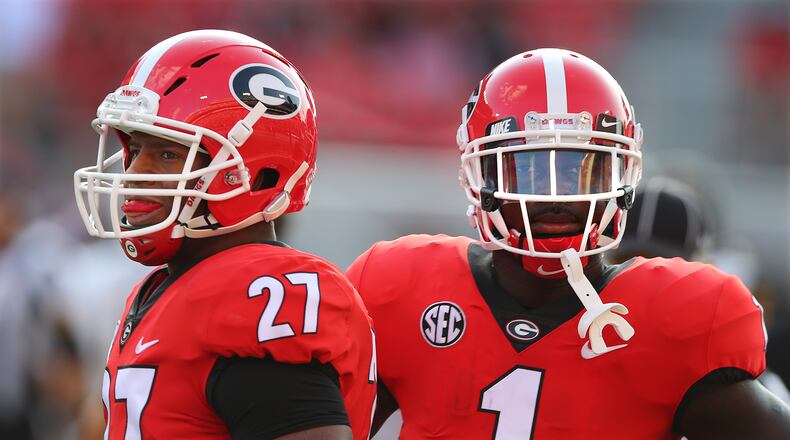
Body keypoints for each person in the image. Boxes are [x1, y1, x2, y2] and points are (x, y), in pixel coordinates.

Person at [347, 48, 790, 439]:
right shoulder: (400, 290)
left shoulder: (678, 319)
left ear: (623, 176)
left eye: (583, 169)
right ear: (479, 177)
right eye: (531, 170)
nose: (556, 197)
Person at [73, 30, 376, 439]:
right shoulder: (163, 285)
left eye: (166, 154)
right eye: (136, 148)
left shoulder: (259, 292)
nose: (134, 175)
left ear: (254, 170)